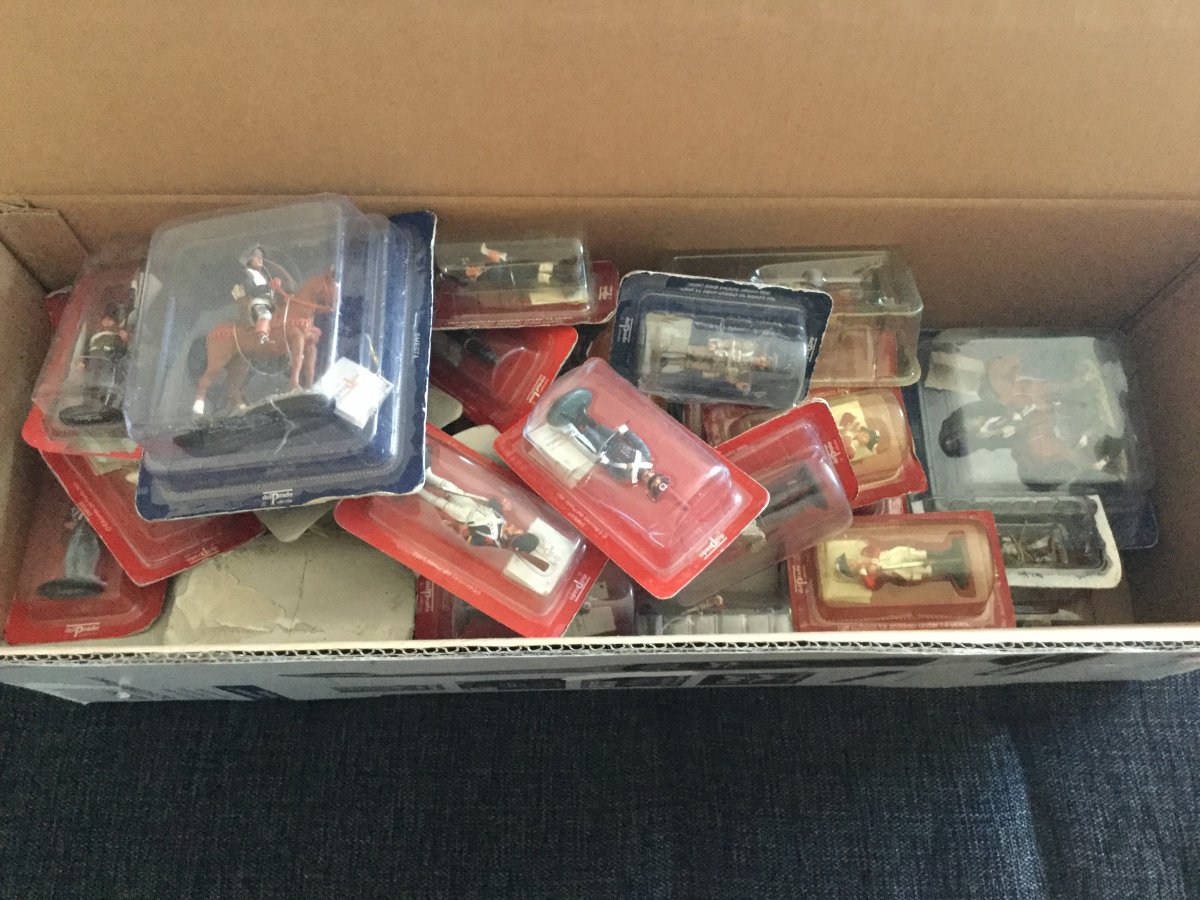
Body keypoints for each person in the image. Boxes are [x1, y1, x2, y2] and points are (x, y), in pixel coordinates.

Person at [546, 387, 671, 500]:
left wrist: (605, 462)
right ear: (655, 473)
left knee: (589, 433)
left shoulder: (627, 476)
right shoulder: (646, 456)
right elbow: (638, 442)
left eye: (649, 480)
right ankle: (581, 413)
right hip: (614, 439)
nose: (649, 475)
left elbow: (613, 472)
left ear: (646, 484)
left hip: (604, 449)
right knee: (597, 426)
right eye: (652, 476)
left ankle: (569, 418)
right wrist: (626, 432)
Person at [418, 468, 545, 568]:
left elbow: (473, 541)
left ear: (510, 537)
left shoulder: (492, 539)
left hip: (465, 516)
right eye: (516, 528)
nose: (512, 526)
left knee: (439, 502)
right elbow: (493, 505)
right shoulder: (501, 520)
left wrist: (462, 531)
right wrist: (502, 504)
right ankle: (429, 476)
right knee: (450, 487)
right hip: (471, 505)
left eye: (514, 531)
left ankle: (418, 490)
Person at [835, 538, 971, 592]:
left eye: (849, 561)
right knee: (921, 570)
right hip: (897, 570)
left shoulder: (864, 552)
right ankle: (953, 569)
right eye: (850, 566)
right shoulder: (864, 574)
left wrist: (874, 561)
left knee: (920, 555)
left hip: (896, 556)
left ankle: (948, 553)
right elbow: (871, 585)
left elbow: (876, 549)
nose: (852, 563)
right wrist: (865, 572)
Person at [232, 245, 282, 344]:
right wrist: (268, 286)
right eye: (256, 256)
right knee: (265, 314)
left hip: (269, 301)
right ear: (250, 259)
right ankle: (262, 335)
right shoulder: (247, 274)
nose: (260, 259)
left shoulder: (262, 274)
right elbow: (251, 289)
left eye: (261, 256)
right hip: (257, 302)